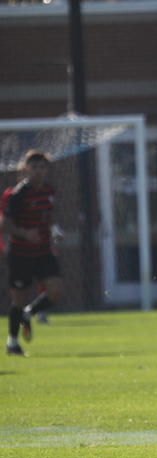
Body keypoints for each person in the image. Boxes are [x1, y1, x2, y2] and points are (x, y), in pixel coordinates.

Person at [1, 150, 64, 356]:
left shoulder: (48, 190)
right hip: (20, 254)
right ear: (27, 169)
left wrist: (55, 231)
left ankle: (29, 314)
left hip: (44, 251)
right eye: (34, 167)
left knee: (56, 292)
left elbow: (49, 215)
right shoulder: (19, 194)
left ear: (46, 169)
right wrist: (24, 234)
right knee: (18, 300)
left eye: (42, 167)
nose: (38, 171)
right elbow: (5, 224)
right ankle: (12, 343)